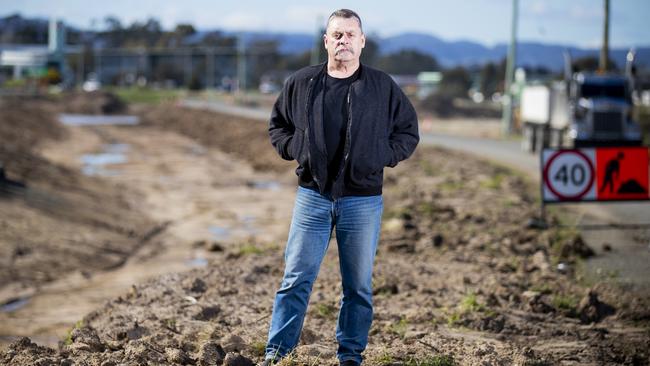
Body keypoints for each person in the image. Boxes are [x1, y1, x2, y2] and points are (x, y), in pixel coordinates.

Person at [263, 9, 419, 366]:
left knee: (358, 288)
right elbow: (278, 127)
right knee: (295, 279)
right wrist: (295, 149)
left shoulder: (382, 87)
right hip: (312, 198)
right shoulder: (302, 82)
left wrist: (381, 155)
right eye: (336, 35)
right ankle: (277, 354)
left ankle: (350, 357)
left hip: (362, 201)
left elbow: (408, 133)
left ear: (362, 41)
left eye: (350, 35)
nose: (343, 41)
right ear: (326, 41)